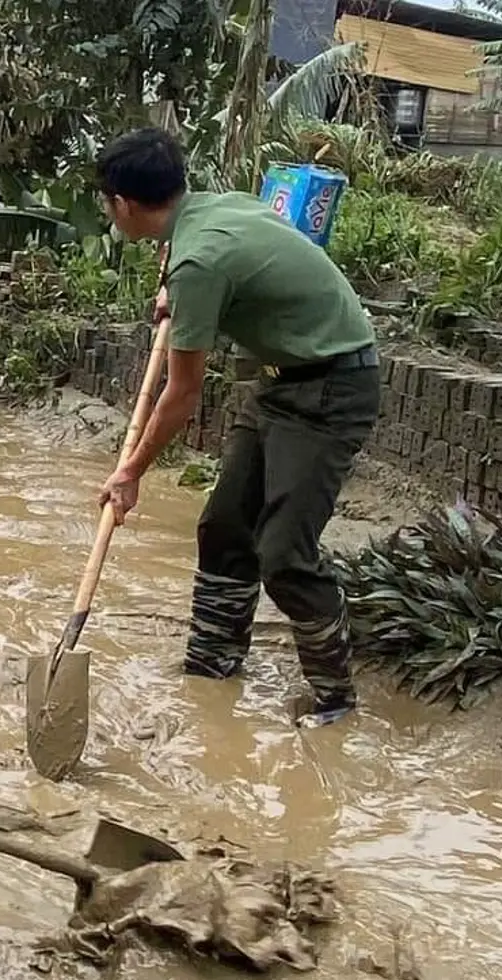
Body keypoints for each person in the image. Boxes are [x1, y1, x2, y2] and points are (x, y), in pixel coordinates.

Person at [93, 127, 380, 728]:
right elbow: (233, 267)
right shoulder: (207, 215)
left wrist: (131, 472)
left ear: (123, 203)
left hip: (333, 387)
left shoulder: (198, 258)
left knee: (283, 553)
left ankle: (335, 699)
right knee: (224, 525)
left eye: (106, 200)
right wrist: (177, 295)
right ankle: (213, 665)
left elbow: (182, 394)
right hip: (282, 379)